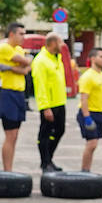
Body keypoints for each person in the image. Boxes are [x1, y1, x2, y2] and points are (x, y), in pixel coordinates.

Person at [0, 22, 32, 171]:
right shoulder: (4, 47)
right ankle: (7, 170)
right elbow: (26, 62)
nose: (24, 37)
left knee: (14, 135)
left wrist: (12, 68)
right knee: (9, 134)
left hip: (18, 93)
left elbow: (26, 69)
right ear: (11, 34)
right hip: (7, 93)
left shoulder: (19, 49)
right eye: (21, 34)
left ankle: (9, 168)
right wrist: (21, 66)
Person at [32, 33, 69, 172]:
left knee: (60, 130)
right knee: (45, 134)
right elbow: (40, 86)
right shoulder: (41, 61)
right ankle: (45, 162)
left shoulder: (56, 58)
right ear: (52, 43)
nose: (63, 46)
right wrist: (45, 107)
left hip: (59, 102)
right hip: (49, 104)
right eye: (60, 43)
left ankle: (49, 159)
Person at [76, 47, 102, 172]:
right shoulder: (87, 76)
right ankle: (84, 170)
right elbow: (84, 98)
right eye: (101, 57)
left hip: (99, 113)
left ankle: (87, 169)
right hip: (88, 113)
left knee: (94, 145)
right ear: (93, 58)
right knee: (92, 143)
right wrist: (87, 117)